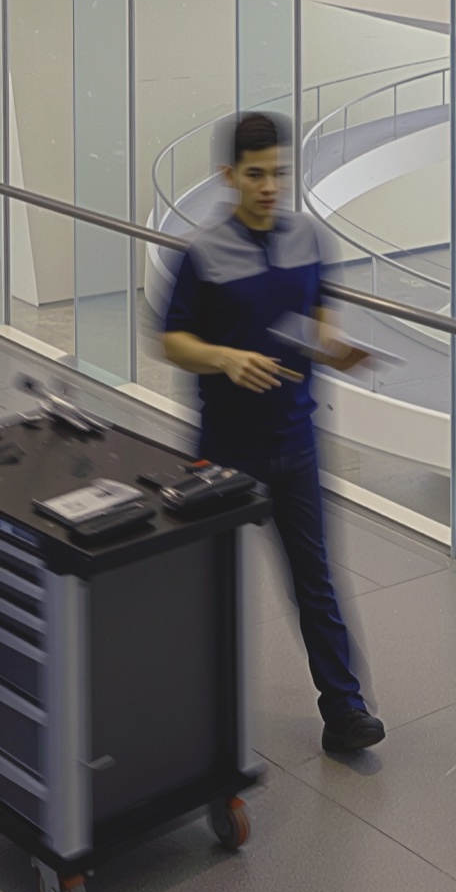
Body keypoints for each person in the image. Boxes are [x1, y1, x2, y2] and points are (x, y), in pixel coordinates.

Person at [160, 111, 385, 755]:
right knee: (212, 587)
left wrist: (335, 346)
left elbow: (320, 314)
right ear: (229, 176)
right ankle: (196, 716)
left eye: (278, 173)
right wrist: (226, 358)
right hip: (226, 450)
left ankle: (344, 709)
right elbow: (173, 339)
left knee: (314, 579)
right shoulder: (201, 252)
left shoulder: (311, 239)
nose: (269, 186)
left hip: (297, 442)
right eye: (255, 175)